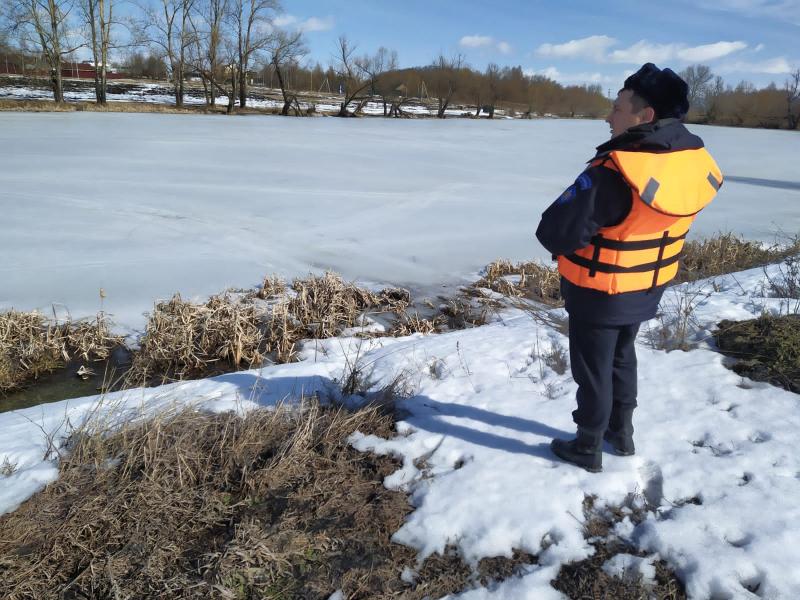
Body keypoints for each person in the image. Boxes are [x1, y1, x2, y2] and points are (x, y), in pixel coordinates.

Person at [535, 63, 723, 472]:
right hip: (647, 284)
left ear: (646, 115)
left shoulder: (617, 171)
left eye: (617, 108)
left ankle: (587, 446)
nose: (608, 117)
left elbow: (555, 231)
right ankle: (621, 433)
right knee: (621, 356)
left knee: (593, 369)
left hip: (599, 290)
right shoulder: (690, 158)